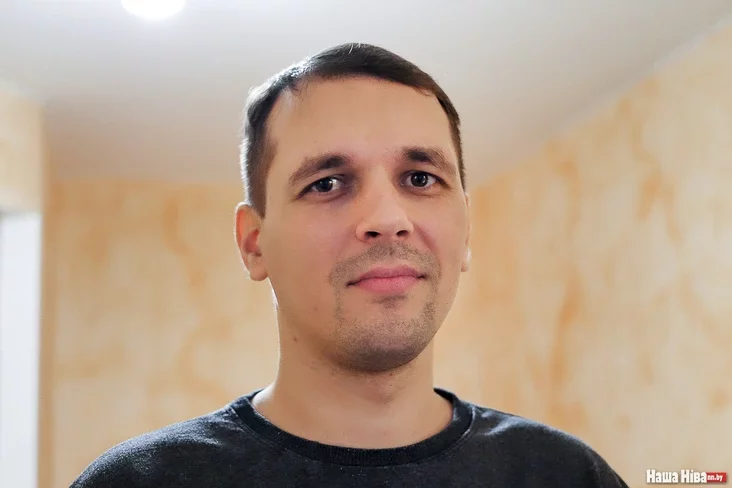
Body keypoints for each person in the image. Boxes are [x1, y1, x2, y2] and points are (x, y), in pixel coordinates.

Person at [71, 42, 629, 487]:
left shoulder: (567, 475)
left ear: (466, 231)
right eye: (327, 183)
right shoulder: (141, 481)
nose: (387, 218)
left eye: (420, 178)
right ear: (254, 243)